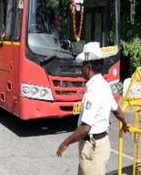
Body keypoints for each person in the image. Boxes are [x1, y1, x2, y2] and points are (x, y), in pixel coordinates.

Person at [56, 42, 131, 175]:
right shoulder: (103, 84)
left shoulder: (93, 91)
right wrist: (125, 123)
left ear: (89, 67)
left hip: (92, 148)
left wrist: (66, 142)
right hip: (101, 145)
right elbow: (117, 110)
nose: (81, 69)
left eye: (83, 65)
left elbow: (85, 128)